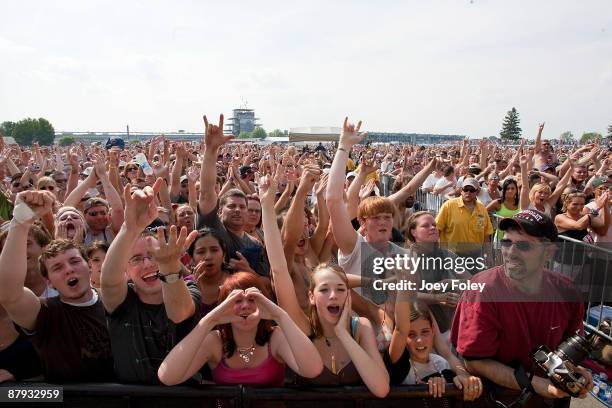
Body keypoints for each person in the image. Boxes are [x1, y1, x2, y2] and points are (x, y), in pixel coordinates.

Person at [264, 161, 390, 397]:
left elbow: (381, 389)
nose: (333, 295)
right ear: (311, 295)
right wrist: (286, 198)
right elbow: (280, 265)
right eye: (324, 290)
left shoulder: (358, 327)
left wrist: (344, 332)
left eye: (340, 289)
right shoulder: (299, 327)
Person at [451, 209, 593, 406]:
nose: (510, 253)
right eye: (507, 243)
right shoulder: (483, 289)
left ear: (549, 252)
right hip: (498, 400)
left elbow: (572, 345)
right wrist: (536, 384)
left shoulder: (567, 290)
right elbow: (474, 361)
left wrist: (577, 371)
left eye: (524, 246)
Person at [0, 190, 114, 382]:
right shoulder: (45, 313)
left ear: (89, 266)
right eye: (57, 267)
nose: (69, 270)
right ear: (49, 282)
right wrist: (20, 220)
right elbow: (8, 293)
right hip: (61, 399)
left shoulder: (115, 301)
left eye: (74, 262)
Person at [100, 178, 201, 383]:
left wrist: (168, 266)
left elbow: (179, 313)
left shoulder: (189, 288)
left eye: (154, 255)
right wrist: (130, 228)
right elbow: (109, 281)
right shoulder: (123, 300)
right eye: (136, 259)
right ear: (125, 270)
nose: (147, 264)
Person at [157, 272, 323, 386]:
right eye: (236, 301)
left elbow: (313, 369)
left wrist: (280, 316)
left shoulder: (276, 337)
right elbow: (168, 376)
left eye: (252, 299)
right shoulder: (215, 341)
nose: (245, 306)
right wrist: (209, 320)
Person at [196, 115, 270, 279]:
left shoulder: (256, 244)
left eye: (242, 207)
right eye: (232, 206)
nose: (238, 210)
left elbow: (268, 283)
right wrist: (211, 150)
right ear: (220, 211)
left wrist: (248, 272)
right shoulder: (214, 229)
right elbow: (207, 192)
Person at [435, 178, 493, 259]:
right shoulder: (448, 206)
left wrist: (488, 255)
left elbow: (486, 234)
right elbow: (437, 229)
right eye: (465, 189)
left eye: (472, 190)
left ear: (477, 192)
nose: (468, 193)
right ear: (461, 190)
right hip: (451, 255)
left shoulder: (482, 209)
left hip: (475, 256)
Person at [187, 227, 231, 317]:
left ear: (224, 255)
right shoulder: (184, 286)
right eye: (201, 252)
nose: (208, 256)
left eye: (214, 250)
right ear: (192, 259)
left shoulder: (238, 282)